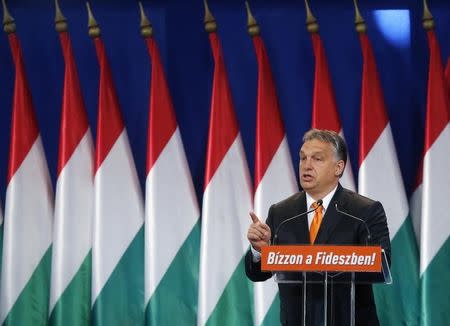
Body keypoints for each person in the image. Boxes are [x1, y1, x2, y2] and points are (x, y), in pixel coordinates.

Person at [245, 129, 391, 326]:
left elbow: (381, 265)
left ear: (338, 167)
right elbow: (258, 274)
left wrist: (327, 261)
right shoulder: (282, 212)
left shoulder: (365, 211)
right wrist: (259, 251)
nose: (307, 165)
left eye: (317, 159)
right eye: (303, 158)